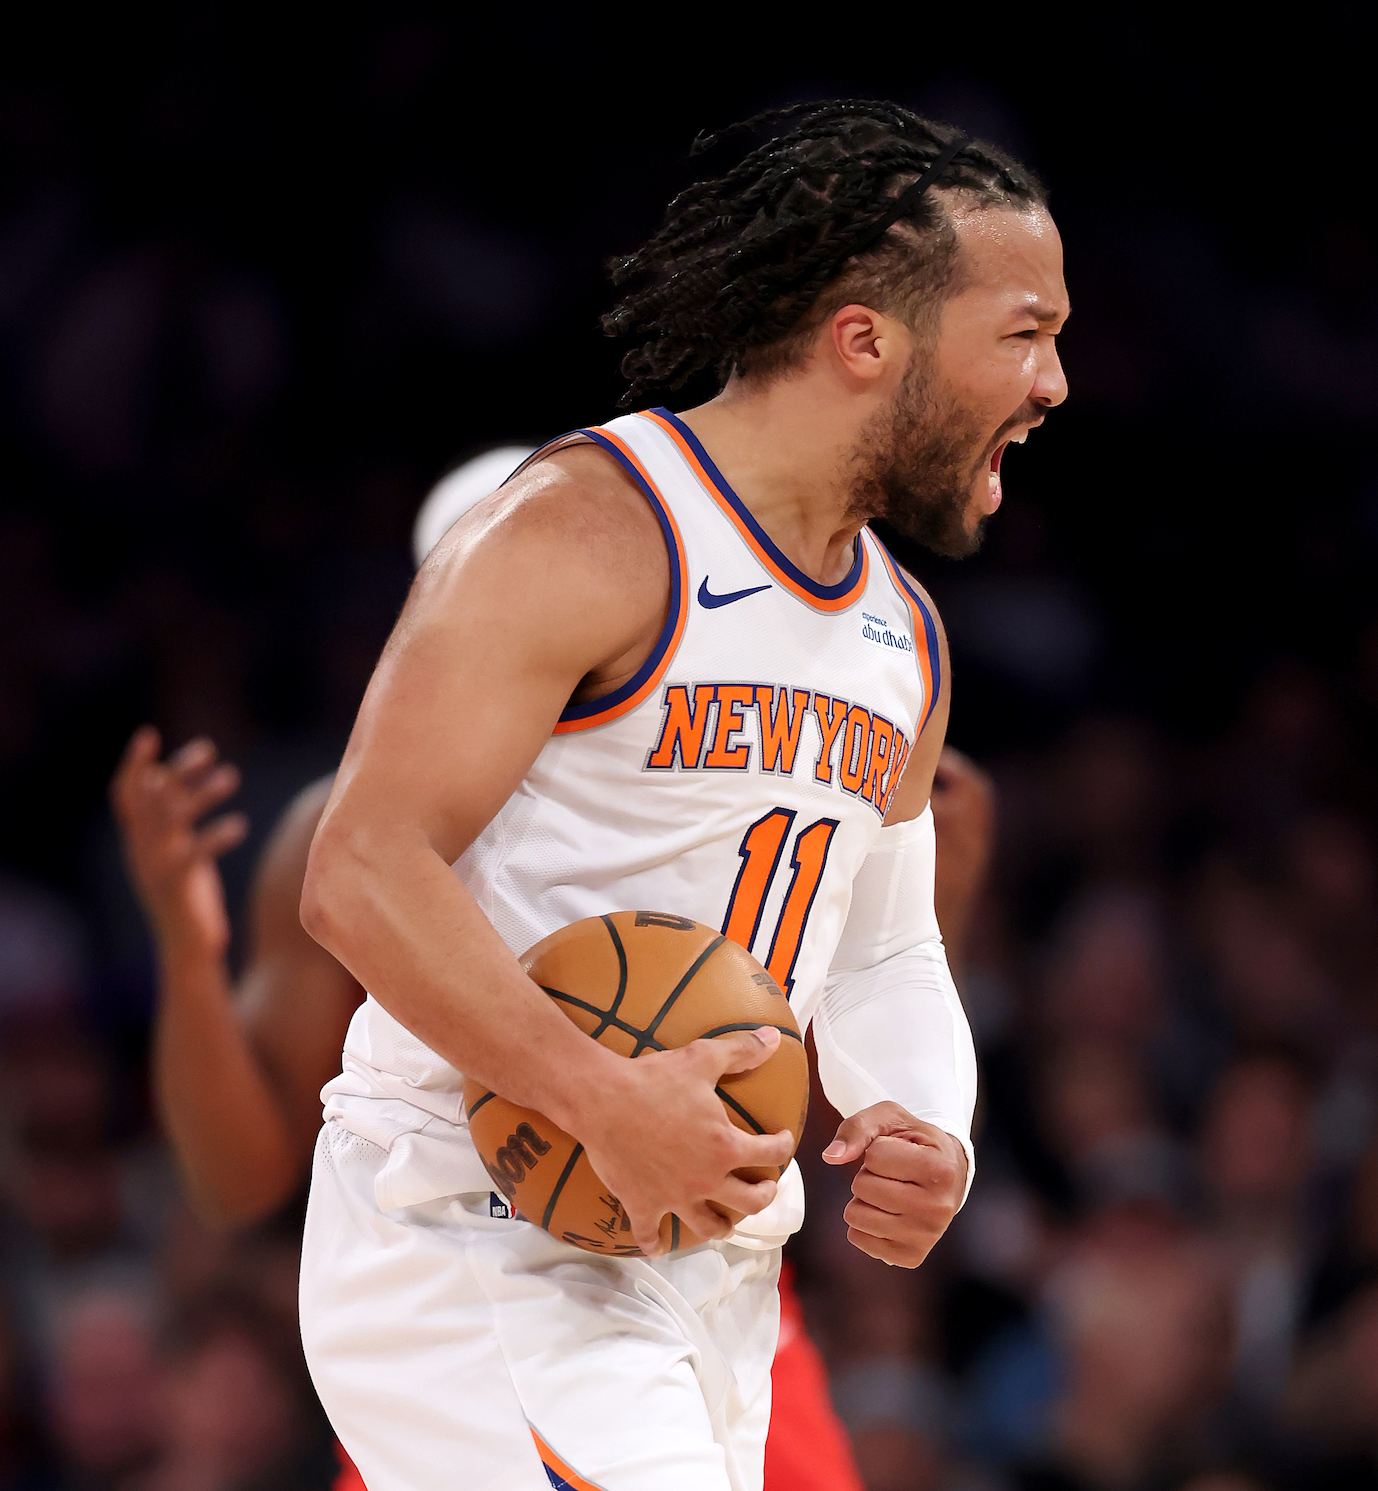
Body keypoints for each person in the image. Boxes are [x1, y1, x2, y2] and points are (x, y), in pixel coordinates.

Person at [291, 98, 1064, 1490]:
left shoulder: (905, 633)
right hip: (484, 1217)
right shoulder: (588, 523)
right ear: (865, 338)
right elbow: (359, 868)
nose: (1054, 380)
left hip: (711, 1261)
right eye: (1024, 332)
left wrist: (923, 1115)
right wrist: (598, 1092)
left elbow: (883, 944)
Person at [113, 438, 996, 1489]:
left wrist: (925, 912)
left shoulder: (719, 767)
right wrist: (184, 945)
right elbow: (234, 1180)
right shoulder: (366, 840)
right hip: (475, 1284)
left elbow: (807, 1057)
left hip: (708, 1283)